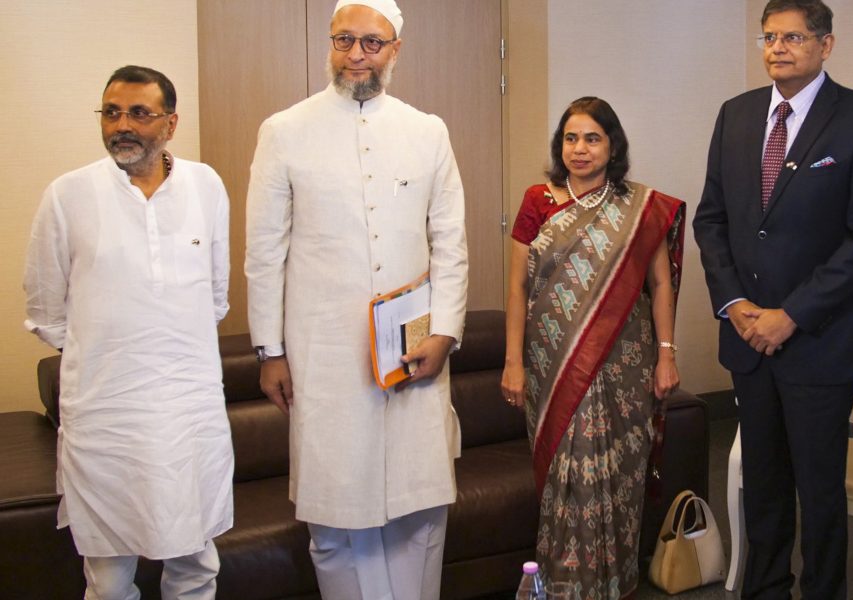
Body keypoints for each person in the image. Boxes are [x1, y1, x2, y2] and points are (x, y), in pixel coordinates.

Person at [243, 0, 468, 597]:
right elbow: (263, 252)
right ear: (330, 45)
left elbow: (450, 242)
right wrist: (270, 349)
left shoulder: (427, 130)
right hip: (325, 353)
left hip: (415, 346)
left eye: (372, 43)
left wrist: (445, 331)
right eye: (345, 41)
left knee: (419, 506)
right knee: (338, 508)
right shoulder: (285, 130)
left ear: (395, 50)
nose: (356, 55)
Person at [692, 0, 853, 596]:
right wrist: (734, 305)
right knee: (763, 485)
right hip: (748, 335)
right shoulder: (736, 114)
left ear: (826, 45)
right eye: (769, 37)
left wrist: (792, 315)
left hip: (819, 339)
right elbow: (713, 219)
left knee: (820, 490)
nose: (778, 48)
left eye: (794, 37)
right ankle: (764, 588)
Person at [23, 65, 233, 600]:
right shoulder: (68, 195)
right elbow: (48, 312)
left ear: (170, 122)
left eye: (139, 113)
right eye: (112, 112)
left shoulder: (205, 186)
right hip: (107, 418)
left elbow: (213, 297)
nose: (123, 124)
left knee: (195, 565)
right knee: (110, 580)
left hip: (189, 412)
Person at [500, 96, 685, 598]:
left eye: (592, 138)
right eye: (570, 138)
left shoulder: (640, 207)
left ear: (612, 145)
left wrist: (666, 352)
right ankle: (562, 584)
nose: (580, 149)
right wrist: (513, 361)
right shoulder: (538, 200)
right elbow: (516, 288)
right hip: (553, 360)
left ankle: (615, 582)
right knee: (567, 470)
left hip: (626, 359)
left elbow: (660, 284)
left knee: (619, 468)